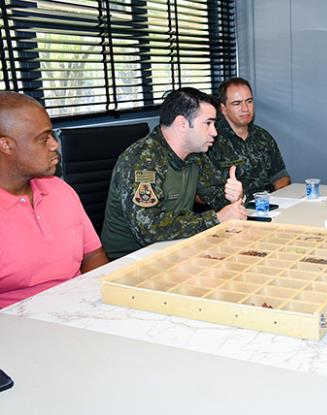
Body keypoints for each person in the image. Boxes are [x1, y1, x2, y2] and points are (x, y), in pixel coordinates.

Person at [101, 87, 247, 260]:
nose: (214, 132)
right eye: (208, 123)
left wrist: (234, 195)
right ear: (182, 124)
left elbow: (217, 199)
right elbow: (150, 230)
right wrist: (215, 219)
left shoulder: (194, 155)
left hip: (176, 249)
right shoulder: (143, 160)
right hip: (131, 260)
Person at [0, 92, 108, 308]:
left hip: (79, 308)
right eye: (43, 138)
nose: (54, 145)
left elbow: (93, 256)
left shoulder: (60, 189)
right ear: (6, 145)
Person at [207, 77, 290, 199]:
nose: (245, 109)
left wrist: (266, 192)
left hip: (265, 207)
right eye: (237, 103)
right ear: (223, 109)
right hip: (229, 212)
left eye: (249, 101)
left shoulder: (263, 136)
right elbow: (200, 194)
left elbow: (282, 178)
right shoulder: (211, 140)